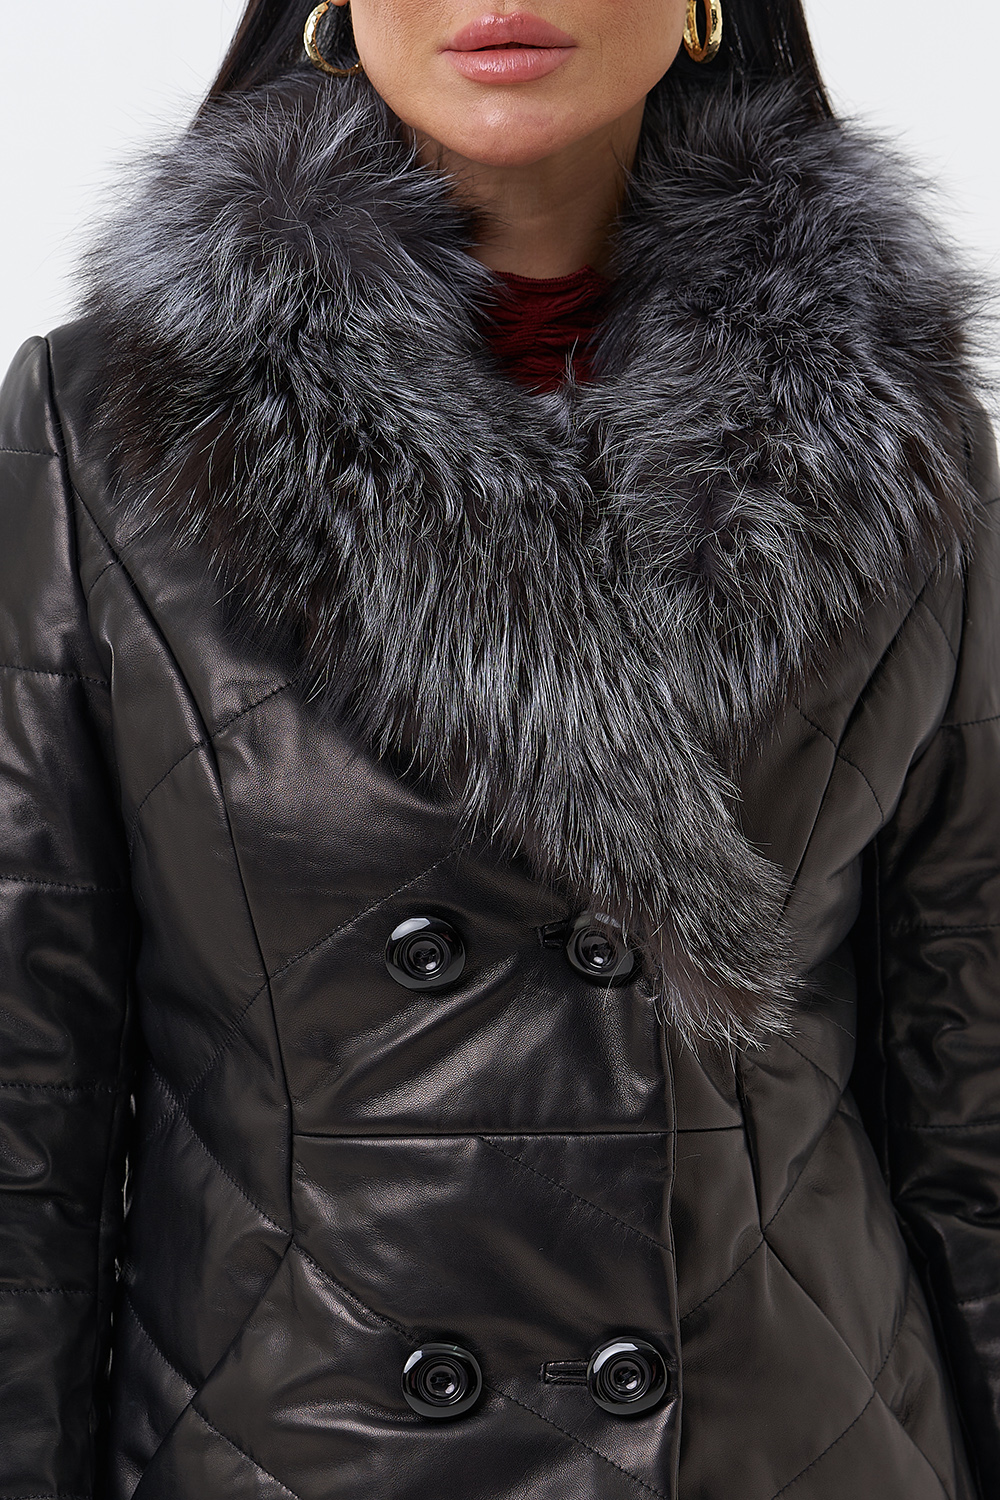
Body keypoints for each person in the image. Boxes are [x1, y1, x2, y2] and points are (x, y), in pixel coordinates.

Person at [0, 0, 996, 1494]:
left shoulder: (903, 435)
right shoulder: (105, 431)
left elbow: (970, 1081)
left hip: (799, 1445)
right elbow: (26, 1107)